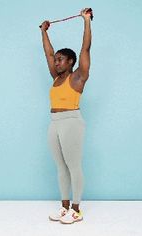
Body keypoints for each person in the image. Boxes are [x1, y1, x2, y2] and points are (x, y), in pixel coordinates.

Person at [40, 8, 92, 224]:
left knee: (73, 165)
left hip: (72, 122)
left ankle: (77, 209)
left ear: (70, 62)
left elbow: (85, 48)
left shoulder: (78, 77)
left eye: (61, 60)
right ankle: (64, 207)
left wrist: (86, 21)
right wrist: (44, 31)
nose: (56, 62)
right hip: (54, 123)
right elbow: (48, 54)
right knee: (60, 167)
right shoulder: (56, 77)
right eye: (57, 60)